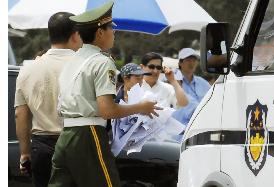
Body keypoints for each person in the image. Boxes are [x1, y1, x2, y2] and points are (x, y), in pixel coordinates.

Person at [48, 2, 161, 187]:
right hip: (88, 134)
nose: (114, 32)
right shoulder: (102, 61)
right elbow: (107, 110)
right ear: (100, 32)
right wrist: (141, 107)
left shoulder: (73, 59)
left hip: (66, 135)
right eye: (111, 28)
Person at [14, 12, 82, 187]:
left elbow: (20, 115)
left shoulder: (28, 69)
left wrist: (24, 153)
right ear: (75, 35)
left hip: (41, 146)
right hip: (78, 143)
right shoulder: (86, 66)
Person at [172, 48, 211, 125]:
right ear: (180, 63)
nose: (192, 63)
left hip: (201, 127)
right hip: (180, 132)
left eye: (194, 60)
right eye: (188, 60)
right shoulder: (173, 81)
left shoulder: (203, 83)